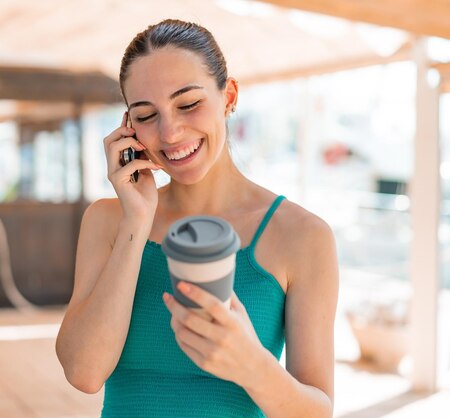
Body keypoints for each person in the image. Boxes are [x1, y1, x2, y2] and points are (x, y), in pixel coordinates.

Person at [55, 18, 338, 417]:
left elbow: (318, 411)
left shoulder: (302, 236)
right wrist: (137, 221)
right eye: (146, 115)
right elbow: (83, 373)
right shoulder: (109, 221)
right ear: (128, 127)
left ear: (229, 96)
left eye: (188, 104)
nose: (169, 133)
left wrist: (253, 365)